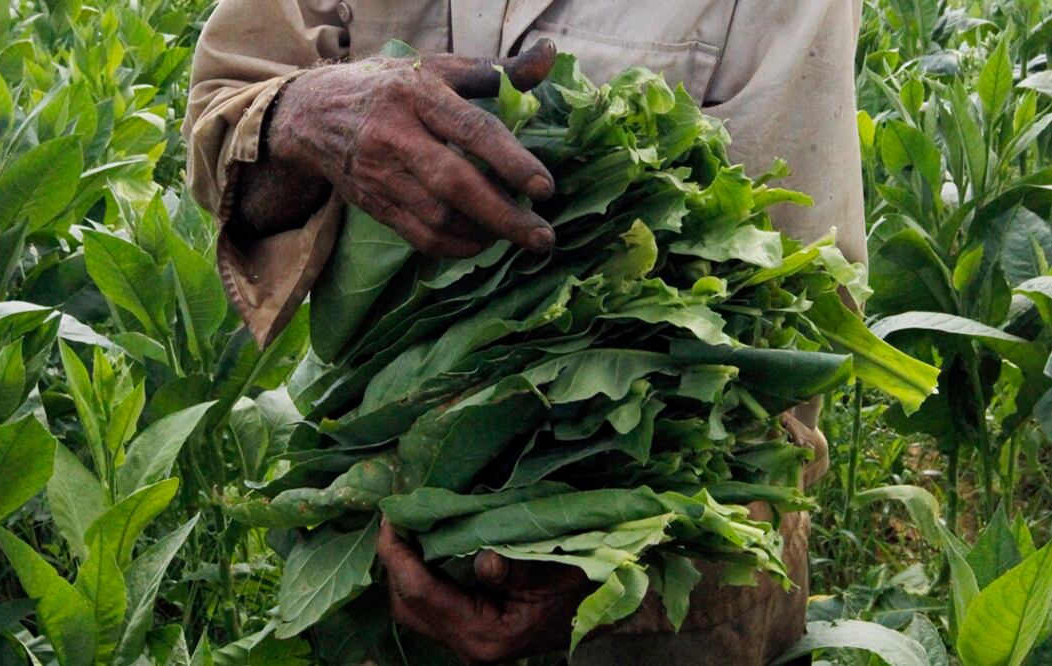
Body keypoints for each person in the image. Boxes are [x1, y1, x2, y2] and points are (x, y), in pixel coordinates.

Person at [184, 2, 864, 663]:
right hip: (373, 545)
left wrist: (612, 571)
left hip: (652, 601)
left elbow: (777, 324)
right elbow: (229, 113)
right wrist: (302, 115)